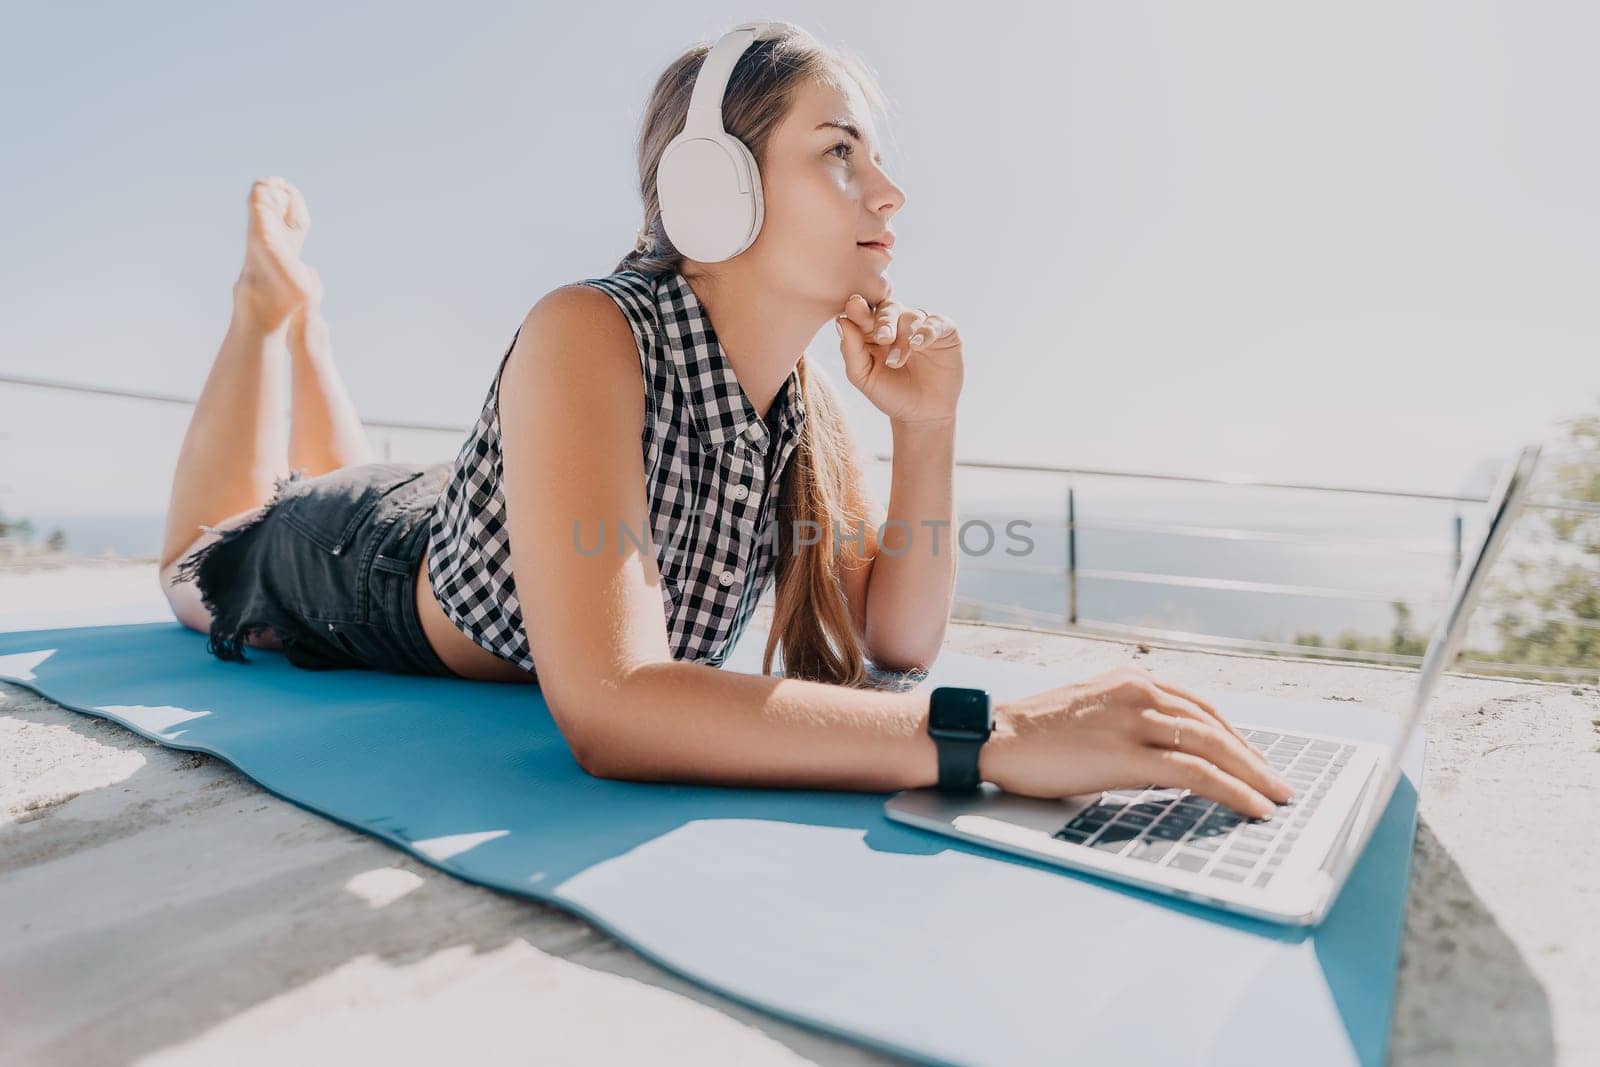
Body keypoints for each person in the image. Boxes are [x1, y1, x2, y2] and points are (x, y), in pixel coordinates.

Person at [157, 21, 1293, 816]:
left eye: (878, 159)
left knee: (374, 475)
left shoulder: (795, 407)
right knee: (203, 547)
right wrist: (996, 735)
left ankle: (308, 336)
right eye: (839, 153)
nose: (888, 195)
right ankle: (269, 316)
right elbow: (615, 708)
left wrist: (927, 430)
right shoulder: (586, 328)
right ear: (717, 185)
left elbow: (895, 640)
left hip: (467, 516)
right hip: (355, 561)